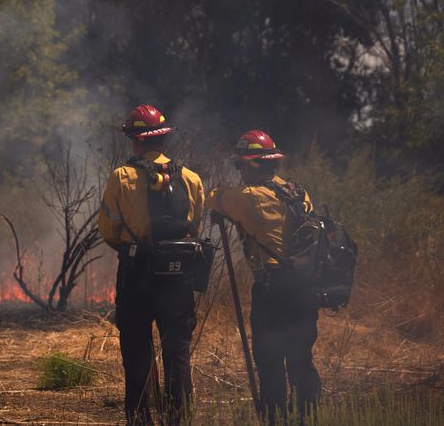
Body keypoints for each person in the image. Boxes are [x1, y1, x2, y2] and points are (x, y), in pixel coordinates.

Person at [98, 105, 205, 425]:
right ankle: (179, 418)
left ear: (134, 141)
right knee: (178, 350)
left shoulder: (121, 176)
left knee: (137, 350)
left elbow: (108, 230)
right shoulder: (191, 178)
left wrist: (134, 250)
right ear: (163, 140)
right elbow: (195, 226)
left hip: (137, 274)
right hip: (178, 274)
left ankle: (141, 419)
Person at [209, 130, 320, 424]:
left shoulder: (248, 198)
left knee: (270, 364)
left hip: (273, 293)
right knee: (301, 361)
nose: (239, 171)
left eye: (240, 165)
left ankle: (274, 420)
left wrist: (220, 193)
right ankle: (309, 419)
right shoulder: (300, 192)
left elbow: (214, 199)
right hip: (306, 291)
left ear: (252, 165)